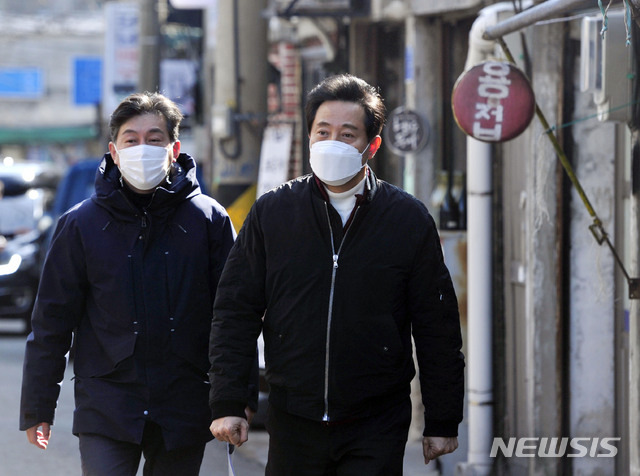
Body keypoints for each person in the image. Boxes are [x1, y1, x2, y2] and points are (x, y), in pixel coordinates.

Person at [209, 73, 465, 474]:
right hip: (293, 418)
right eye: (322, 131)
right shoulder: (273, 213)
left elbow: (437, 326)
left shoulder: (406, 219)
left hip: (376, 420)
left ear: (372, 145)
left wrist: (442, 418)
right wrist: (229, 402)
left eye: (348, 134)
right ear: (308, 137)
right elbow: (234, 311)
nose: (332, 142)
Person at [19, 92, 256, 476]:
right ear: (114, 151)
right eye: (131, 140)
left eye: (155, 139)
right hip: (107, 404)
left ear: (174, 148)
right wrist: (38, 408)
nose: (142, 148)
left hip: (183, 402)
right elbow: (51, 323)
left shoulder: (208, 220)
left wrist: (237, 398)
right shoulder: (81, 225)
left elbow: (233, 314)